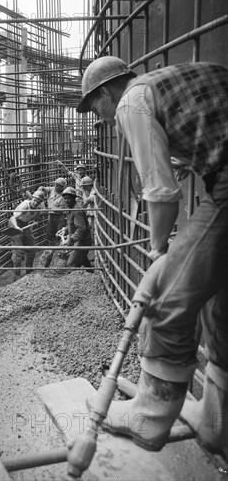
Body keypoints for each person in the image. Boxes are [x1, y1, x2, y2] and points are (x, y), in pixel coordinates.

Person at [78, 56, 228, 453]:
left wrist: (159, 251)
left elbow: (161, 194)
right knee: (220, 306)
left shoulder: (131, 102)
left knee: (167, 301)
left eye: (95, 106)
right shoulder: (171, 79)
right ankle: (216, 422)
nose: (100, 117)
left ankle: (149, 415)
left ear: (107, 93)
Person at [9, 189, 45, 279]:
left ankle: (29, 274)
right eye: (35, 200)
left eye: (38, 202)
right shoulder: (25, 205)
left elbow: (36, 220)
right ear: (32, 198)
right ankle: (16, 277)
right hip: (15, 224)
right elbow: (12, 218)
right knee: (18, 252)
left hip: (25, 226)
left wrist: (35, 223)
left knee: (32, 249)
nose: (36, 203)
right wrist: (16, 227)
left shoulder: (38, 208)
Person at [61, 187, 92, 269]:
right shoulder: (70, 208)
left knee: (72, 264)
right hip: (79, 240)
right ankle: (90, 272)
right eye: (65, 198)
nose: (67, 200)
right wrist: (66, 229)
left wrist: (71, 239)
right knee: (82, 258)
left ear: (74, 198)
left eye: (69, 198)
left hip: (83, 241)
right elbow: (72, 224)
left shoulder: (77, 211)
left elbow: (81, 228)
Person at [38, 177, 67, 246]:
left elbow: (61, 209)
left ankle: (59, 247)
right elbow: (44, 188)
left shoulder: (65, 195)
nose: (56, 186)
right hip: (51, 215)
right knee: (50, 232)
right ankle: (51, 247)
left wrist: (50, 209)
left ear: (62, 187)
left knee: (59, 232)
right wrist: (41, 189)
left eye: (58, 185)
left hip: (60, 216)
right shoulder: (52, 189)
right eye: (56, 185)